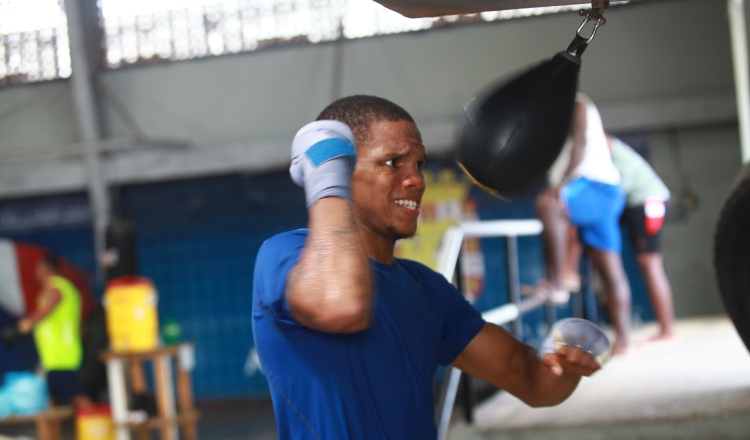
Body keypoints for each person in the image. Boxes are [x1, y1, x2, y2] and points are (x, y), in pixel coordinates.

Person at [252, 95, 612, 439]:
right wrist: (327, 173)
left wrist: (561, 357)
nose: (417, 180)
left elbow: (529, 380)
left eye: (418, 164)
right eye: (393, 162)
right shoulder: (286, 254)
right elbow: (343, 306)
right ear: (342, 168)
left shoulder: (426, 288)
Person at [529, 93, 632, 355]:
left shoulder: (576, 105)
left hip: (595, 187)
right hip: (606, 189)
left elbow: (581, 144)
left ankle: (559, 283)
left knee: (547, 205)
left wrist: (561, 185)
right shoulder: (553, 114)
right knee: (610, 267)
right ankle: (624, 342)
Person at [608, 134, 676, 343]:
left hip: (647, 203)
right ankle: (667, 330)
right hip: (642, 203)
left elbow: (619, 189)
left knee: (650, 263)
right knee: (649, 265)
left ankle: (668, 331)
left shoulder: (605, 143)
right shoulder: (608, 148)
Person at [1, 254, 93, 409]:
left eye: (38, 269)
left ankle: (98, 425)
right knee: (50, 401)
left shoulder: (56, 287)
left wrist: (22, 327)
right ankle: (52, 433)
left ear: (45, 269)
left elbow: (47, 309)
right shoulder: (63, 288)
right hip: (52, 356)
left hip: (61, 355)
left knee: (77, 396)